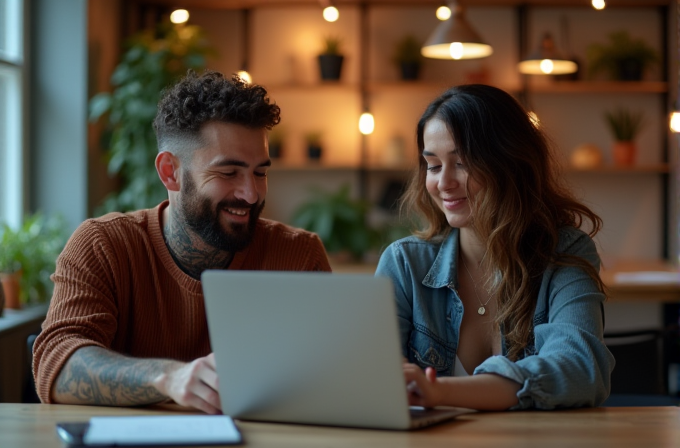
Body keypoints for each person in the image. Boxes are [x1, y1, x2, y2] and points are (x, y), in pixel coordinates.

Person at [33, 70, 331, 414]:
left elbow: (333, 371)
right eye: (228, 173)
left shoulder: (298, 255)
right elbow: (55, 367)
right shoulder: (103, 245)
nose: (251, 194)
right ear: (170, 172)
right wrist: (168, 378)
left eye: (260, 173)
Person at [376, 84, 614, 411]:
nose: (444, 183)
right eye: (433, 165)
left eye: (461, 163)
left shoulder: (566, 253)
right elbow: (374, 377)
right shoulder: (404, 263)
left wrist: (440, 392)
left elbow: (581, 368)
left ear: (509, 162)